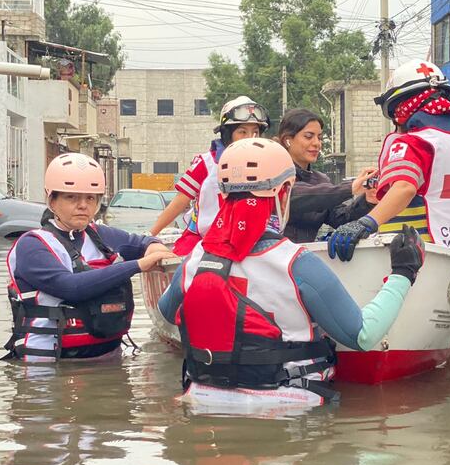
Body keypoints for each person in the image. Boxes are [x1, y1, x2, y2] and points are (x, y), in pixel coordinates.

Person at [158, 138, 425, 408]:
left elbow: (167, 313)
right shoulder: (295, 262)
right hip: (288, 409)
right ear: (284, 193)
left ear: (224, 194)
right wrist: (404, 271)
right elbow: (363, 336)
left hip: (202, 401)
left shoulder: (196, 259)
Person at [4, 153, 177, 362]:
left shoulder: (100, 235)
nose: (83, 205)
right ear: (52, 200)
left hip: (108, 360)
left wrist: (154, 248)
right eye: (72, 197)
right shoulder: (31, 245)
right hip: (50, 369)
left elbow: (141, 242)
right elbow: (71, 288)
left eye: (90, 198)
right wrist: (138, 265)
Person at [327, 59, 450, 262]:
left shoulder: (413, 142)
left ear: (400, 107)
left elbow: (404, 187)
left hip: (421, 259)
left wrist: (365, 223)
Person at [150, 95, 269, 254]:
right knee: (180, 269)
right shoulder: (206, 163)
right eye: (242, 131)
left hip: (248, 239)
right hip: (201, 240)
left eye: (255, 132)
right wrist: (149, 235)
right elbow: (180, 201)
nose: (250, 138)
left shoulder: (268, 165)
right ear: (228, 133)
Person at [277, 107, 377, 242]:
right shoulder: (273, 174)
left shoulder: (320, 180)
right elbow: (293, 195)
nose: (317, 143)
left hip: (305, 256)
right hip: (271, 257)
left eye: (319, 137)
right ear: (287, 140)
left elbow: (341, 218)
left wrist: (367, 200)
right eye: (308, 136)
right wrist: (350, 188)